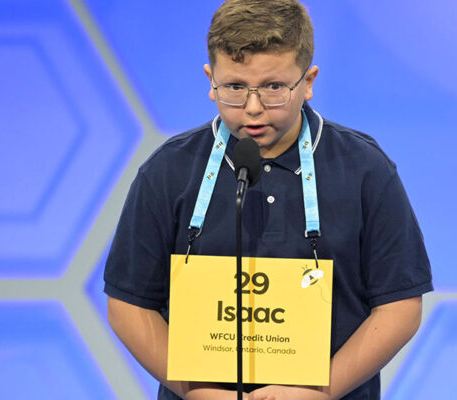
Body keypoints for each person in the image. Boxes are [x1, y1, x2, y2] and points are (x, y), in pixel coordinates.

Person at [104, 0, 433, 399]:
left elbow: (399, 307)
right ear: (211, 81)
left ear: (308, 81)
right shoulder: (168, 170)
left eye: (274, 88)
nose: (254, 109)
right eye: (235, 88)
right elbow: (129, 304)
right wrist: (195, 391)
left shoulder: (365, 169)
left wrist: (321, 390)